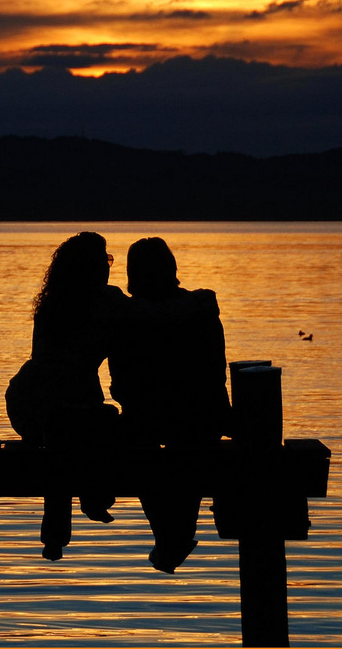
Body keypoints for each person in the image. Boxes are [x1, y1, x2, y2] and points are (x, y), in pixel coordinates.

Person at [108, 236, 231, 573]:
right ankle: (172, 540)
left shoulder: (125, 318)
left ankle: (171, 539)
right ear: (172, 269)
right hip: (201, 419)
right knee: (186, 453)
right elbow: (215, 371)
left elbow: (121, 382)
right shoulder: (202, 312)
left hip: (148, 421)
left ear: (134, 274)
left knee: (143, 448)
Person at [5, 232, 126, 560]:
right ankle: (93, 496)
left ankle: (56, 535)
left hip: (28, 404)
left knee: (61, 441)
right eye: (105, 260)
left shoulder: (51, 305)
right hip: (61, 411)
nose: (108, 267)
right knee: (99, 427)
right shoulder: (109, 302)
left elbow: (40, 366)